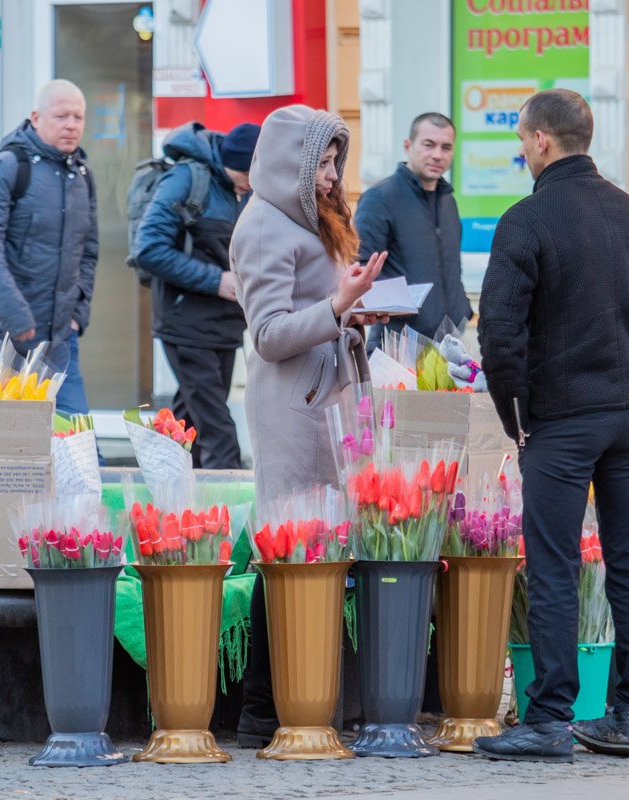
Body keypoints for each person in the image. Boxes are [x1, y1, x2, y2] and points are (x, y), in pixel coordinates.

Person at [473, 89, 629, 763]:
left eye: (521, 138)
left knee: (554, 566)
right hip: (627, 420)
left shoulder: (527, 221)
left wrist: (519, 421)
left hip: (561, 422)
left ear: (541, 141)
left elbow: (500, 337)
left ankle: (548, 719)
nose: (520, 148)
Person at [230, 105, 388, 746]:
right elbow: (268, 335)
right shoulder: (264, 224)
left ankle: (305, 698)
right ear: (289, 161)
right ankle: (262, 712)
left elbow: (310, 313)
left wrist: (350, 315)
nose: (330, 176)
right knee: (288, 556)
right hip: (291, 412)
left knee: (317, 555)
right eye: (320, 163)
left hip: (324, 406)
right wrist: (337, 305)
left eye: (333, 163)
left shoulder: (307, 219)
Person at [0, 79, 97, 417]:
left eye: (78, 117)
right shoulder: (3, 169)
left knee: (76, 440)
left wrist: (79, 313)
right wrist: (16, 317)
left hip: (58, 336)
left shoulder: (81, 176)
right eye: (62, 116)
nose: (71, 125)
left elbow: (88, 250)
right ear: (36, 118)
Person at [134, 121, 260, 469]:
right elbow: (147, 248)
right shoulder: (188, 179)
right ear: (227, 162)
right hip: (185, 323)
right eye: (245, 174)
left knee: (188, 420)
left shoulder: (246, 189)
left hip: (225, 325)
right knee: (218, 428)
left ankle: (169, 495)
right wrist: (214, 280)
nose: (251, 184)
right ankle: (230, 512)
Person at [354, 112, 472, 347]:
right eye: (429, 145)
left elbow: (451, 266)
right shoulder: (379, 198)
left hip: (448, 341)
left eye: (446, 147)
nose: (437, 155)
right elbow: (362, 269)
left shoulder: (448, 201)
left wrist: (462, 309)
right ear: (408, 146)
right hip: (398, 344)